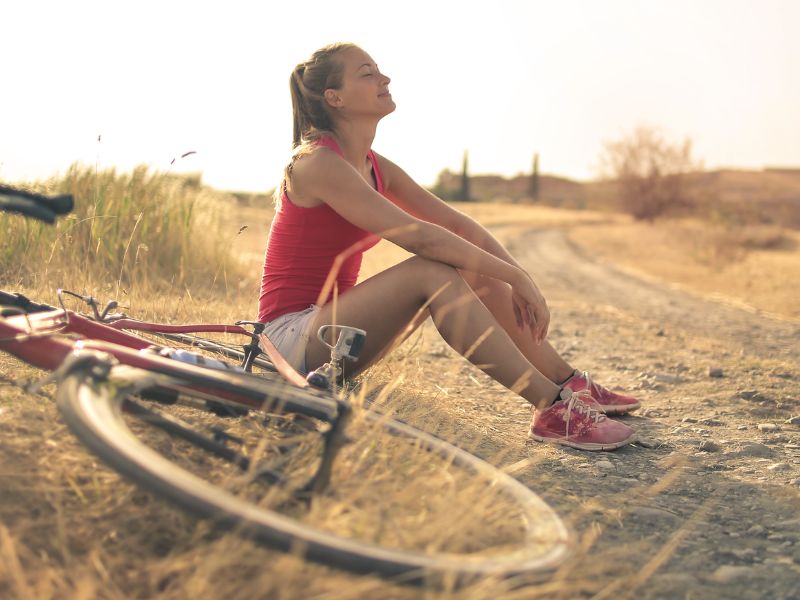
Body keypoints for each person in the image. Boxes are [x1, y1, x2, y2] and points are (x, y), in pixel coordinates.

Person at [258, 42, 641, 451]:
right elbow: (418, 235)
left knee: (476, 267)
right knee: (432, 270)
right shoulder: (316, 163)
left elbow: (456, 224)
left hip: (338, 337)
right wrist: (513, 275)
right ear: (334, 98)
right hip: (289, 340)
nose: (384, 79)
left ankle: (569, 383)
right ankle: (551, 407)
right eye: (367, 73)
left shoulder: (373, 165)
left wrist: (516, 277)